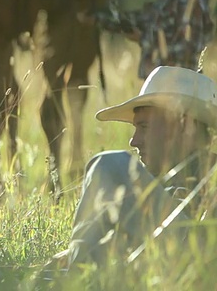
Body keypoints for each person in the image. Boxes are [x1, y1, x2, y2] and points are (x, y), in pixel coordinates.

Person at [44, 66, 217, 274]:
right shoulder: (160, 186)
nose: (134, 141)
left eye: (144, 127)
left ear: (183, 124)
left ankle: (74, 280)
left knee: (110, 165)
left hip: (196, 268)